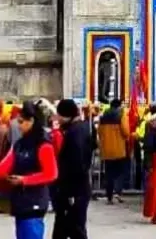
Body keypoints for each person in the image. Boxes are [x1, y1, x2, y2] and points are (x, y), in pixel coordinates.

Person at [0, 100, 59, 239]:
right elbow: (4, 167)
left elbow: (51, 174)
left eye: (21, 122)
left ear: (31, 121)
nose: (18, 126)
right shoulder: (20, 144)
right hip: (21, 202)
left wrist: (25, 180)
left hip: (35, 202)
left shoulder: (43, 145)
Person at [52, 98, 94, 239]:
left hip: (74, 190)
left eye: (59, 115)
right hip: (76, 188)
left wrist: (70, 191)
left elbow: (77, 162)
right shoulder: (81, 128)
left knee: (74, 228)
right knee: (69, 228)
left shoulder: (75, 133)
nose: (57, 118)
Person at [96, 98, 130, 204]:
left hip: (106, 150)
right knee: (119, 173)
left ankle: (109, 197)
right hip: (118, 149)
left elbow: (99, 132)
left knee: (109, 174)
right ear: (119, 106)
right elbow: (126, 132)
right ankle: (117, 193)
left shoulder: (103, 117)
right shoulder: (121, 115)